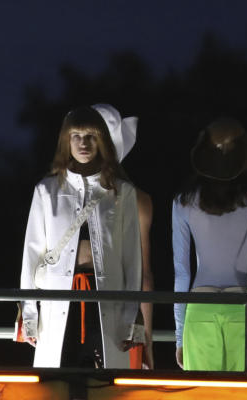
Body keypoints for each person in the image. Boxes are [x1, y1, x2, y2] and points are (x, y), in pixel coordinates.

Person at [19, 105, 143, 368]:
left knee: (107, 385)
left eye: (90, 136)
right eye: (76, 135)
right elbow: (32, 255)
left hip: (107, 301)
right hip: (59, 302)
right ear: (67, 141)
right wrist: (29, 315)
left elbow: (132, 260)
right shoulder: (46, 190)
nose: (83, 143)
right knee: (56, 383)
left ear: (102, 141)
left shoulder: (123, 193)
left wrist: (131, 317)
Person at [173, 117, 247, 371]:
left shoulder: (183, 202)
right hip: (245, 310)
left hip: (199, 311)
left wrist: (180, 334)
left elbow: (182, 272)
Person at [90, 103, 156, 369]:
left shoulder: (57, 192)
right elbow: (144, 276)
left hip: (74, 307)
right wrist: (147, 341)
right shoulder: (139, 199)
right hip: (121, 311)